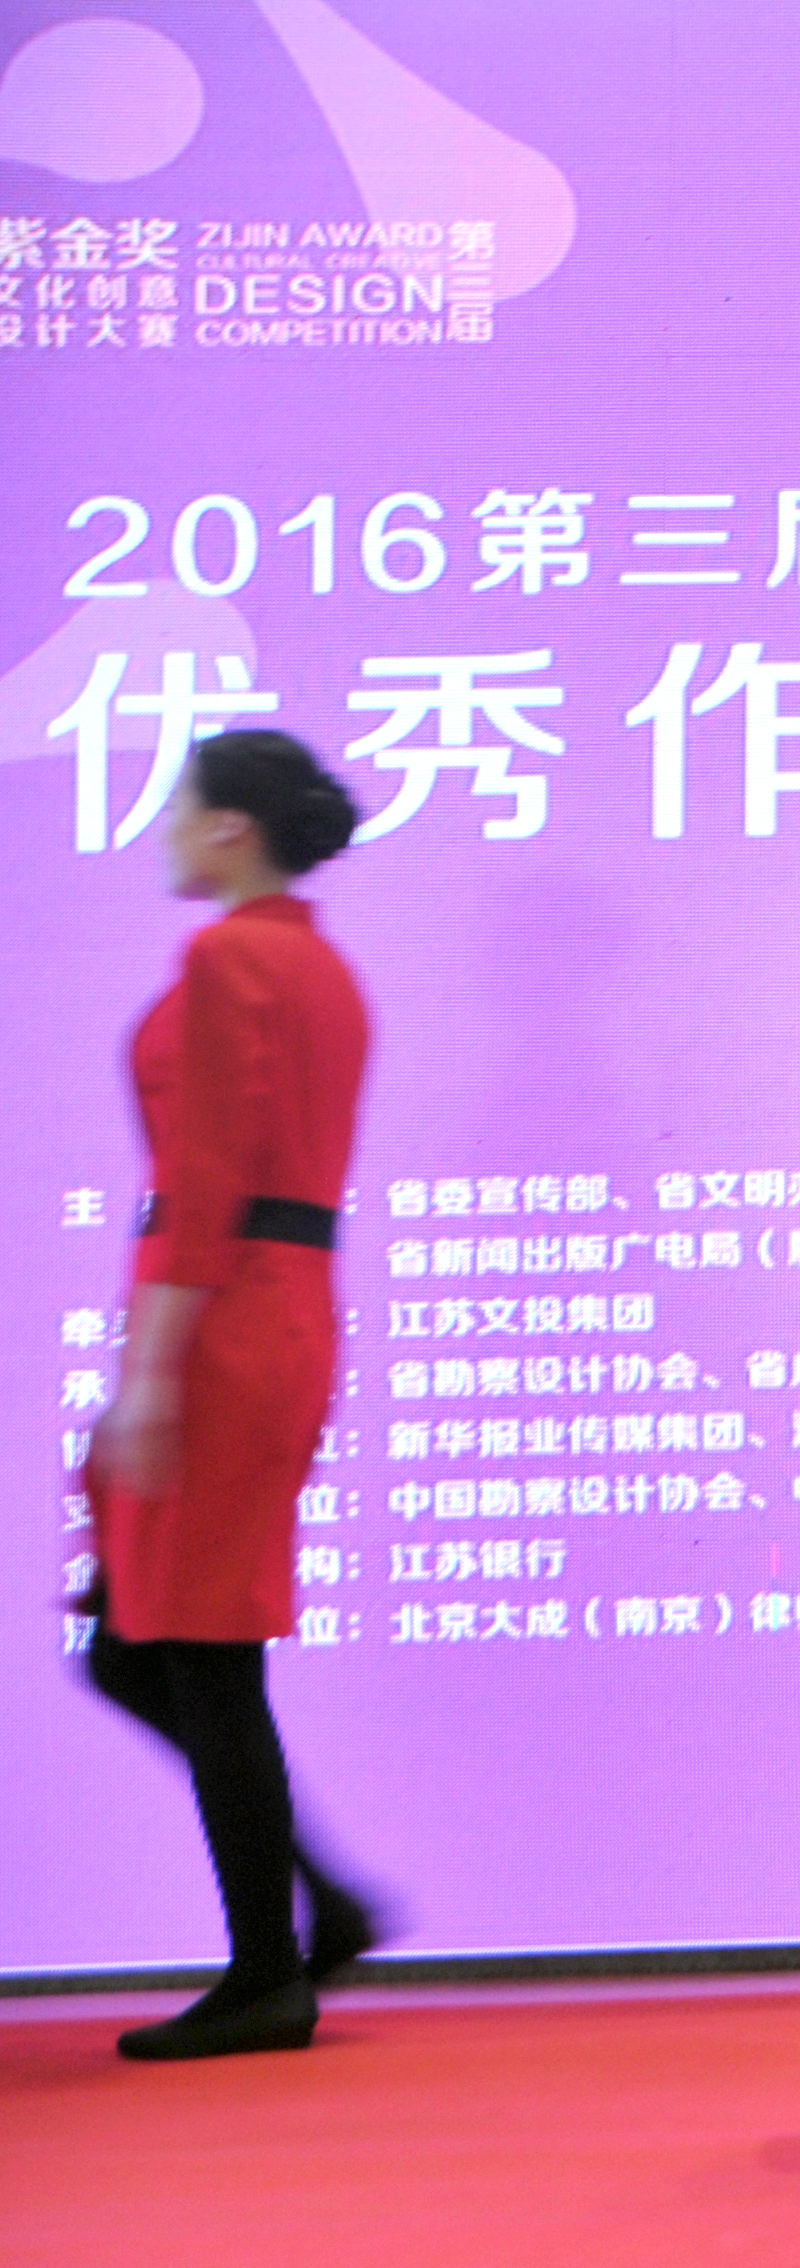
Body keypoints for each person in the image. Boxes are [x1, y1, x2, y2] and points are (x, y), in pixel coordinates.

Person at [77, 730, 382, 2061]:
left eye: (179, 808)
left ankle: (269, 1969)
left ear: (231, 829)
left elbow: (200, 1183)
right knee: (139, 1644)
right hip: (277, 1308)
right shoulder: (322, 967)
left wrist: (148, 1371)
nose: (163, 831)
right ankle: (318, 1911)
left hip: (218, 1322)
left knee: (198, 1651)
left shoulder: (225, 960)